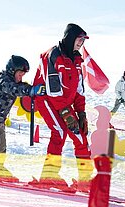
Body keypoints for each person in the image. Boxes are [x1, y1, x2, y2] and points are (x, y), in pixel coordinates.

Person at [31, 23, 92, 192]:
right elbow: (53, 90)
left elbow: (79, 90)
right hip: (46, 99)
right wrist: (67, 113)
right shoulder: (52, 55)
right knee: (59, 131)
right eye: (79, 39)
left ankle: (85, 179)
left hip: (63, 103)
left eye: (83, 40)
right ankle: (49, 176)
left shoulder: (77, 60)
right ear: (70, 37)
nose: (81, 43)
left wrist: (81, 113)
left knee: (80, 135)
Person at [0, 55, 46, 153]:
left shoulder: (14, 81)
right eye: (20, 74)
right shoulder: (5, 81)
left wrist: (33, 89)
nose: (21, 76)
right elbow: (15, 89)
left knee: (1, 147)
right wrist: (30, 90)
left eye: (23, 75)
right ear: (12, 70)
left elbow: (21, 86)